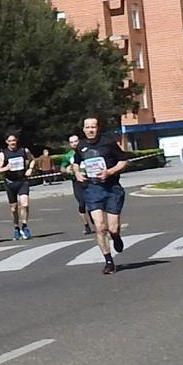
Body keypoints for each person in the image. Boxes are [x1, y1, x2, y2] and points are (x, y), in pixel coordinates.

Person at [73, 116, 130, 275]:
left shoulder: (108, 143)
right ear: (83, 129)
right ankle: (109, 261)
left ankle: (116, 237)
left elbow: (124, 161)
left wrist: (110, 172)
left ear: (98, 128)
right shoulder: (81, 146)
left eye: (93, 127)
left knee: (112, 228)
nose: (90, 130)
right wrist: (77, 173)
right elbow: (76, 162)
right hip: (92, 189)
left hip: (112, 189)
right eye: (87, 127)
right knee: (99, 226)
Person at [0, 133, 34, 240]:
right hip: (10, 183)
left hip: (22, 181)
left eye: (14, 140)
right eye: (10, 141)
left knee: (25, 204)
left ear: (16, 140)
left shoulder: (23, 151)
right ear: (7, 142)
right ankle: (16, 228)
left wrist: (30, 169)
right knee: (14, 209)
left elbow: (32, 160)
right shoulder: (3, 154)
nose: (12, 142)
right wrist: (6, 168)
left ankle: (25, 226)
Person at [58, 133, 93, 234]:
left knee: (92, 202)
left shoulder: (86, 151)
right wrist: (67, 170)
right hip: (77, 182)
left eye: (76, 141)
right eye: (72, 142)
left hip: (89, 180)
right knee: (82, 203)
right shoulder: (68, 156)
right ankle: (86, 226)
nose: (74, 144)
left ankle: (94, 217)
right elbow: (62, 168)